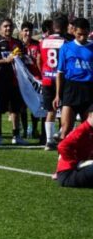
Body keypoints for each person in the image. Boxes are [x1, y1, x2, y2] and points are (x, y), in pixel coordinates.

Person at [0, 18, 26, 145]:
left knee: (15, 110)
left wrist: (20, 58)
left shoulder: (18, 43)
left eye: (10, 26)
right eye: (5, 26)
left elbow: (23, 59)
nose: (8, 28)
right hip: (0, 81)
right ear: (0, 28)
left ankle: (16, 135)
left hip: (15, 81)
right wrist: (5, 60)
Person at [54, 17, 93, 139]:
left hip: (89, 89)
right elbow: (60, 73)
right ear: (74, 31)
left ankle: (86, 152)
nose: (82, 37)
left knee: (89, 130)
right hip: (71, 89)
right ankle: (62, 151)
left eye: (85, 34)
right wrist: (57, 95)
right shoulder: (66, 48)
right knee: (65, 129)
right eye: (79, 34)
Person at [39, 14, 70, 150]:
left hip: (47, 78)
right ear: (65, 27)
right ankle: (62, 136)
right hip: (61, 79)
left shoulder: (43, 42)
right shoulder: (66, 42)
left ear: (53, 26)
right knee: (65, 108)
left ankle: (49, 141)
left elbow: (39, 59)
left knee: (50, 110)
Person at [55, 103, 93, 188]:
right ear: (90, 115)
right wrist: (76, 163)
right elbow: (62, 146)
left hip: (78, 171)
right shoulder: (82, 129)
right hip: (68, 174)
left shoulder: (90, 130)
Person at [19, 21, 41, 141]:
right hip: (22, 80)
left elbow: (40, 61)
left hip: (35, 79)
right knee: (22, 106)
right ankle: (24, 129)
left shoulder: (37, 45)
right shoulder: (18, 45)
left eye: (30, 31)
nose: (28, 33)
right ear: (21, 31)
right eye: (25, 30)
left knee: (35, 105)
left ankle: (35, 129)